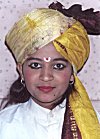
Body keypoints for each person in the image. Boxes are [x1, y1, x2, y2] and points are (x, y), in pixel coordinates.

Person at [0, 8, 100, 139]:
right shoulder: (4, 125)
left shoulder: (95, 124)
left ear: (72, 74)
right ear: (21, 71)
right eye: (35, 65)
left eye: (58, 66)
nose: (46, 77)